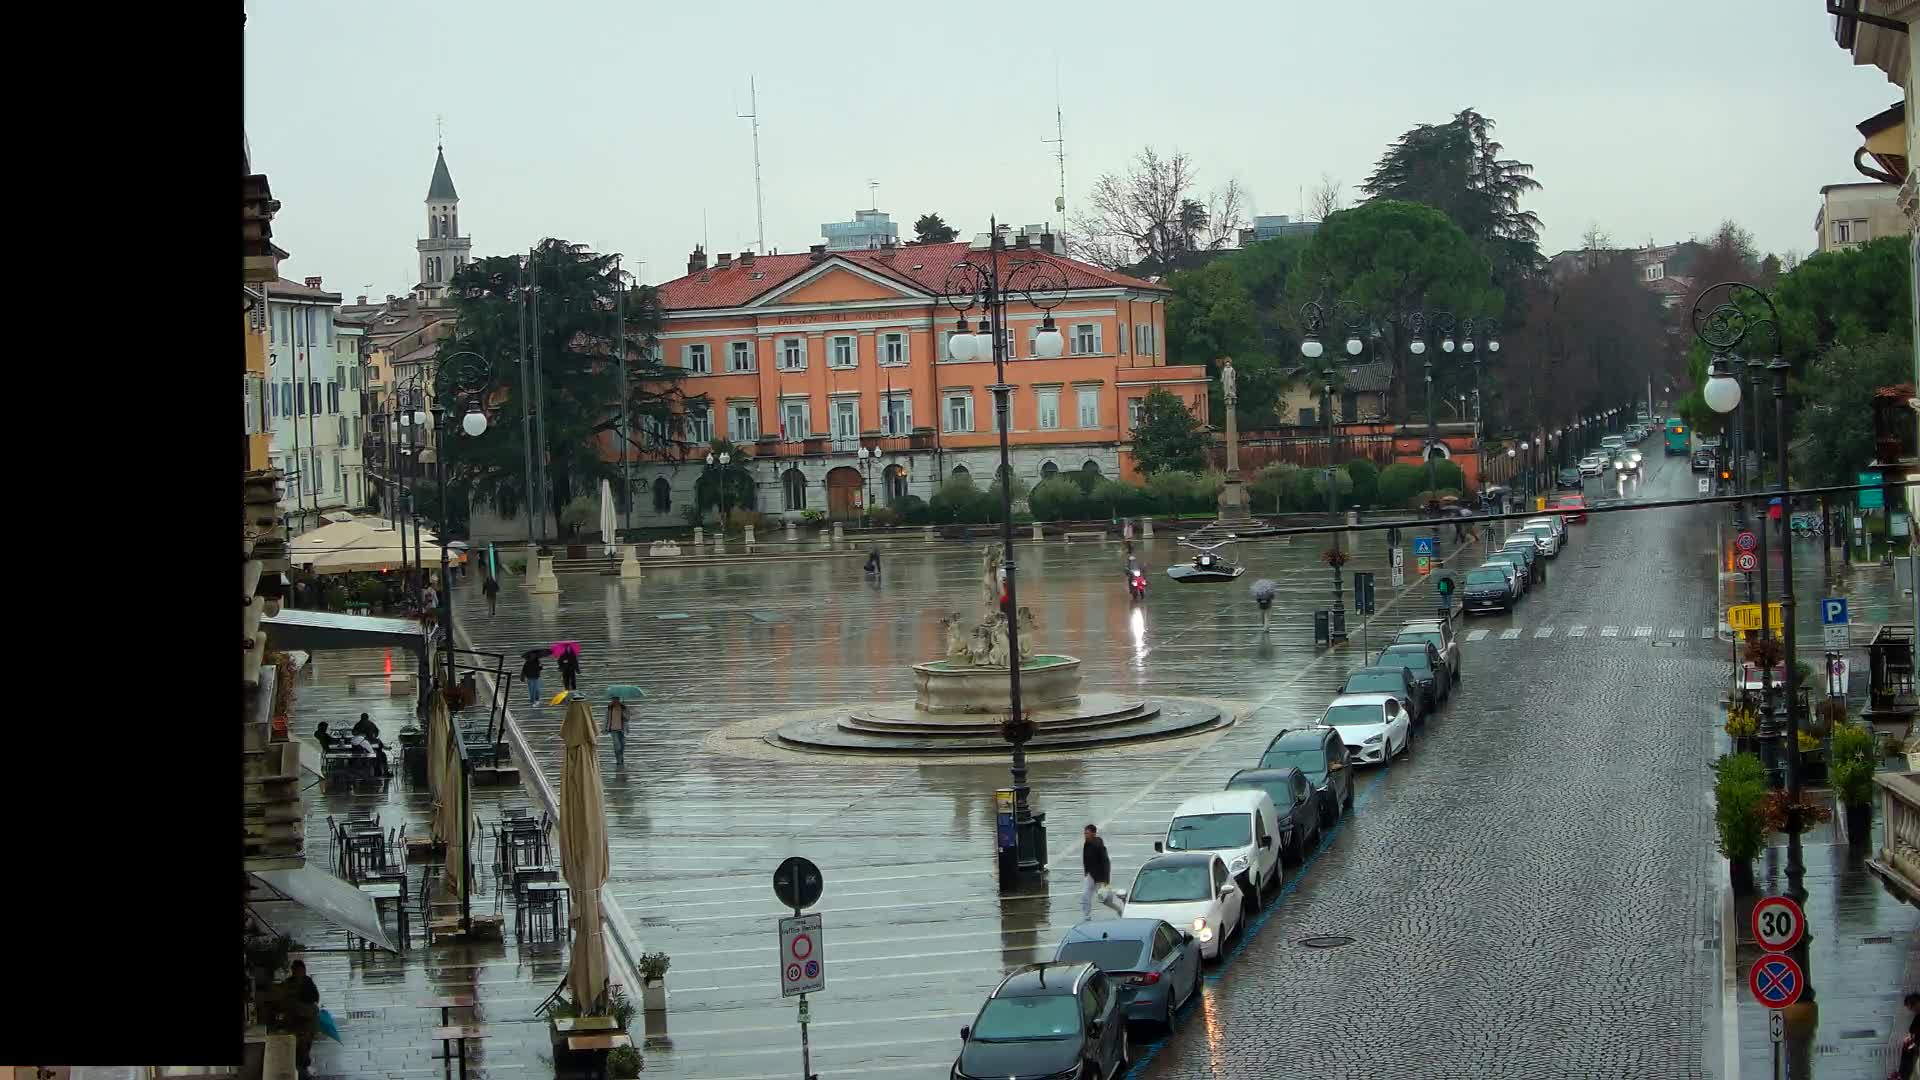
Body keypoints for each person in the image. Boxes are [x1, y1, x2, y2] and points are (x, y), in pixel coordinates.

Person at [279, 958, 321, 1079]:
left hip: (306, 1022)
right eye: (295, 970)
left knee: (304, 1048)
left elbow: (315, 998)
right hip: (295, 1022)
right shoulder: (289, 983)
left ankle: (302, 1070)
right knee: (297, 1049)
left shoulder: (307, 982)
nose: (297, 972)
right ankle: (300, 1070)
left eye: (299, 970)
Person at [1080, 824, 1123, 919]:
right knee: (1085, 895)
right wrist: (1086, 871)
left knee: (1104, 899)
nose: (1085, 835)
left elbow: (1106, 862)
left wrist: (1106, 879)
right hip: (1090, 875)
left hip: (1099, 877)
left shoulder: (1098, 845)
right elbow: (1085, 859)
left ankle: (1119, 909)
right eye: (1085, 833)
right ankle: (1086, 916)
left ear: (1093, 833)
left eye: (1087, 833)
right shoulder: (1086, 843)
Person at [1894, 991, 1920, 1080]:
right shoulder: (1917, 1018)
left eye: (1912, 1006)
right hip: (1916, 1046)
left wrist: (1914, 1042)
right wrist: (1911, 1039)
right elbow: (1912, 1031)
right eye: (1911, 1008)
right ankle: (1901, 1076)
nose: (1913, 1010)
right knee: (1907, 1051)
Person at [606, 695, 628, 766]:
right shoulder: (610, 708)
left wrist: (622, 713)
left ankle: (621, 757)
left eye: (616, 699)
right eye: (613, 699)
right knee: (617, 746)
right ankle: (618, 760)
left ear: (619, 700)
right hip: (613, 730)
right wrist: (605, 728)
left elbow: (627, 718)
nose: (614, 701)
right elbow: (606, 719)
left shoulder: (624, 707)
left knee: (622, 746)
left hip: (622, 730)